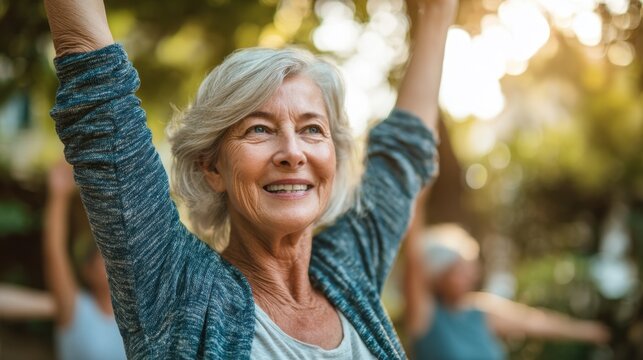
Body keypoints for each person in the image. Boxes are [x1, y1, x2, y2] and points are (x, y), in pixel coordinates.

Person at [43, 0, 453, 357]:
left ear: (335, 156)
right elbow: (97, 90)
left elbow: (403, 154)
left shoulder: (349, 270)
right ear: (212, 167)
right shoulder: (178, 288)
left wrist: (437, 11)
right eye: (259, 129)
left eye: (312, 129)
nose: (293, 153)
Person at [404, 198, 611, 359]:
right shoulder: (424, 315)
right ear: (438, 276)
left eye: (470, 268)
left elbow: (534, 322)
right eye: (459, 270)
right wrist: (417, 198)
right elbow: (414, 260)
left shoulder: (480, 310)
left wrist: (589, 331)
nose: (471, 275)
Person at [43, 160, 126, 360]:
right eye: (103, 257)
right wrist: (59, 196)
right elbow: (54, 252)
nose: (112, 262)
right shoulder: (75, 309)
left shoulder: (137, 316)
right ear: (87, 271)